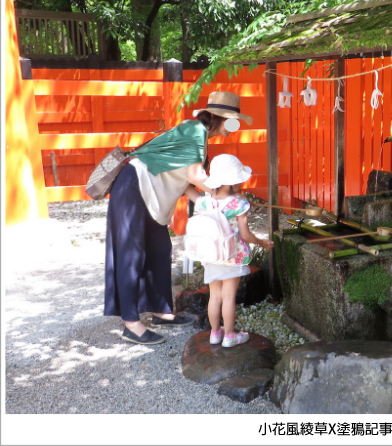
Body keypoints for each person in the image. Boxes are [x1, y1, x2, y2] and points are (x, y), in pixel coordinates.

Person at [104, 91, 253, 345]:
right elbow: (196, 176)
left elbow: (186, 184)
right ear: (220, 118)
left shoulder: (200, 137)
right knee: (132, 255)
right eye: (232, 120)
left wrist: (213, 201)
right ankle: (131, 323)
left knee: (160, 249)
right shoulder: (195, 131)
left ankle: (161, 310)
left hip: (151, 194)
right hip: (135, 187)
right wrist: (226, 193)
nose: (234, 127)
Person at [185, 154, 273, 347]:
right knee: (228, 297)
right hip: (232, 256)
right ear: (231, 182)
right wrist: (262, 242)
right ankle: (230, 336)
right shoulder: (239, 204)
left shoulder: (204, 202)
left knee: (214, 296)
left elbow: (187, 187)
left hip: (211, 255)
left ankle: (215, 334)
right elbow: (246, 235)